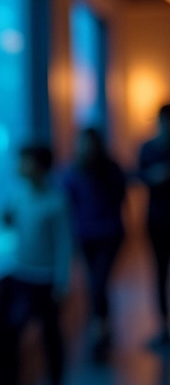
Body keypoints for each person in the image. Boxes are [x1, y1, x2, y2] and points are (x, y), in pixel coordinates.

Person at [0, 144, 73, 385]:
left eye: (24, 161)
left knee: (51, 338)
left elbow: (64, 245)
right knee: (9, 334)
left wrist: (62, 283)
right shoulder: (19, 195)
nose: (19, 166)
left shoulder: (56, 201)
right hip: (20, 276)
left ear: (38, 165)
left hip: (45, 279)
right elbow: (10, 221)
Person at [59, 126, 128, 362]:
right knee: (97, 285)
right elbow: (65, 203)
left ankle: (99, 335)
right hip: (86, 237)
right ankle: (101, 332)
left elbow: (120, 198)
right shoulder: (72, 172)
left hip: (108, 235)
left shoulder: (110, 169)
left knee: (98, 284)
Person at [138, 103, 170, 348]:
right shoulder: (148, 148)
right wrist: (153, 176)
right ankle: (164, 326)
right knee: (159, 273)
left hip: (159, 217)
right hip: (157, 219)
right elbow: (136, 176)